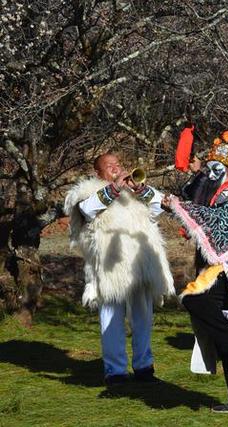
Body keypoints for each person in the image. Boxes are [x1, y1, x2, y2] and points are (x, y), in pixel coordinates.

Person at [164, 130, 228, 412]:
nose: (209, 175)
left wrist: (178, 206)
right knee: (221, 322)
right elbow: (197, 197)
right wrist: (171, 203)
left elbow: (222, 227)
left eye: (214, 170)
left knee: (193, 297)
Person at [64, 153, 175, 386]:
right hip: (110, 269)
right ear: (99, 173)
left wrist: (141, 189)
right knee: (111, 321)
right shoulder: (87, 192)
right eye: (110, 166)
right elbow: (87, 210)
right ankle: (115, 372)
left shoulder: (134, 194)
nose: (116, 169)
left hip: (139, 266)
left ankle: (144, 367)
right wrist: (114, 189)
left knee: (143, 319)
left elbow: (161, 206)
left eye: (118, 164)